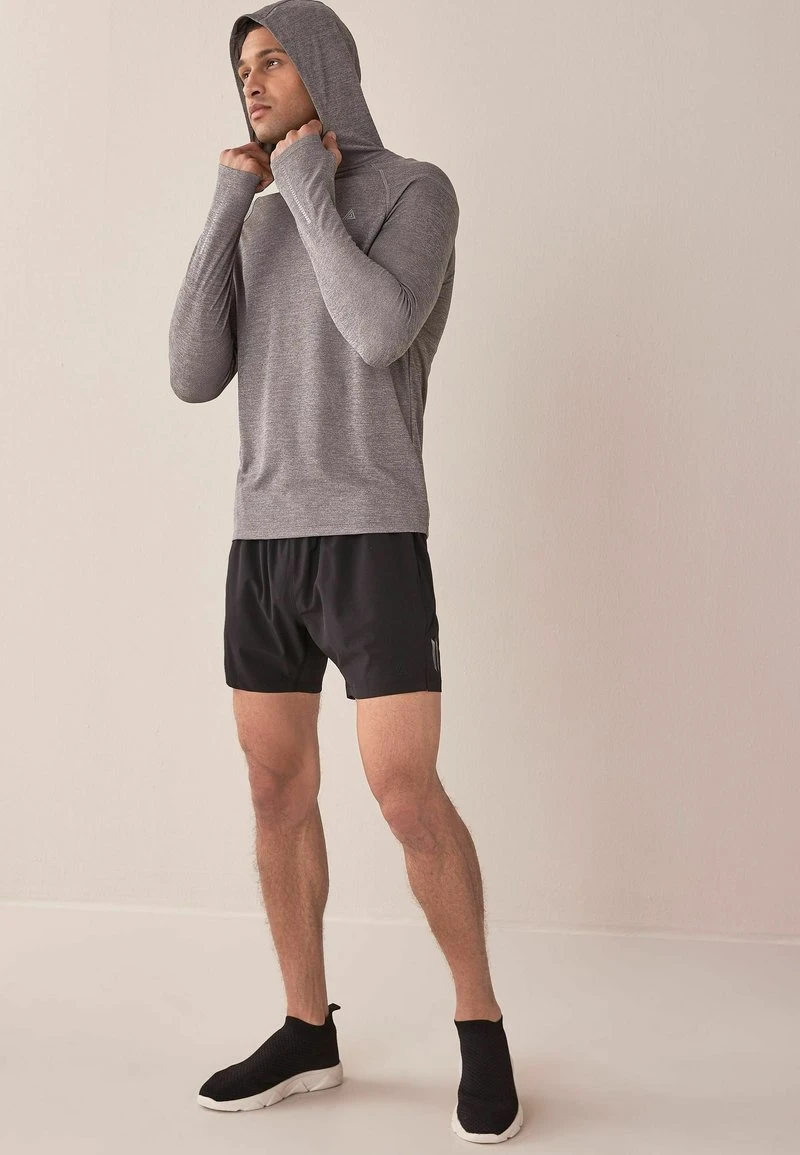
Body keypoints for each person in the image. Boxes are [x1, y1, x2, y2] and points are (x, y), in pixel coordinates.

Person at [168, 0, 522, 1142]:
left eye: (273, 59)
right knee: (275, 790)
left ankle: (479, 1024)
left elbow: (376, 331)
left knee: (405, 793)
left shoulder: (416, 191)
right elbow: (190, 372)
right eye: (243, 67)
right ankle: (305, 1026)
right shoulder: (260, 217)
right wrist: (232, 203)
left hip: (371, 533)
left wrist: (310, 191)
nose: (253, 81)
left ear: (325, 65)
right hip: (262, 536)